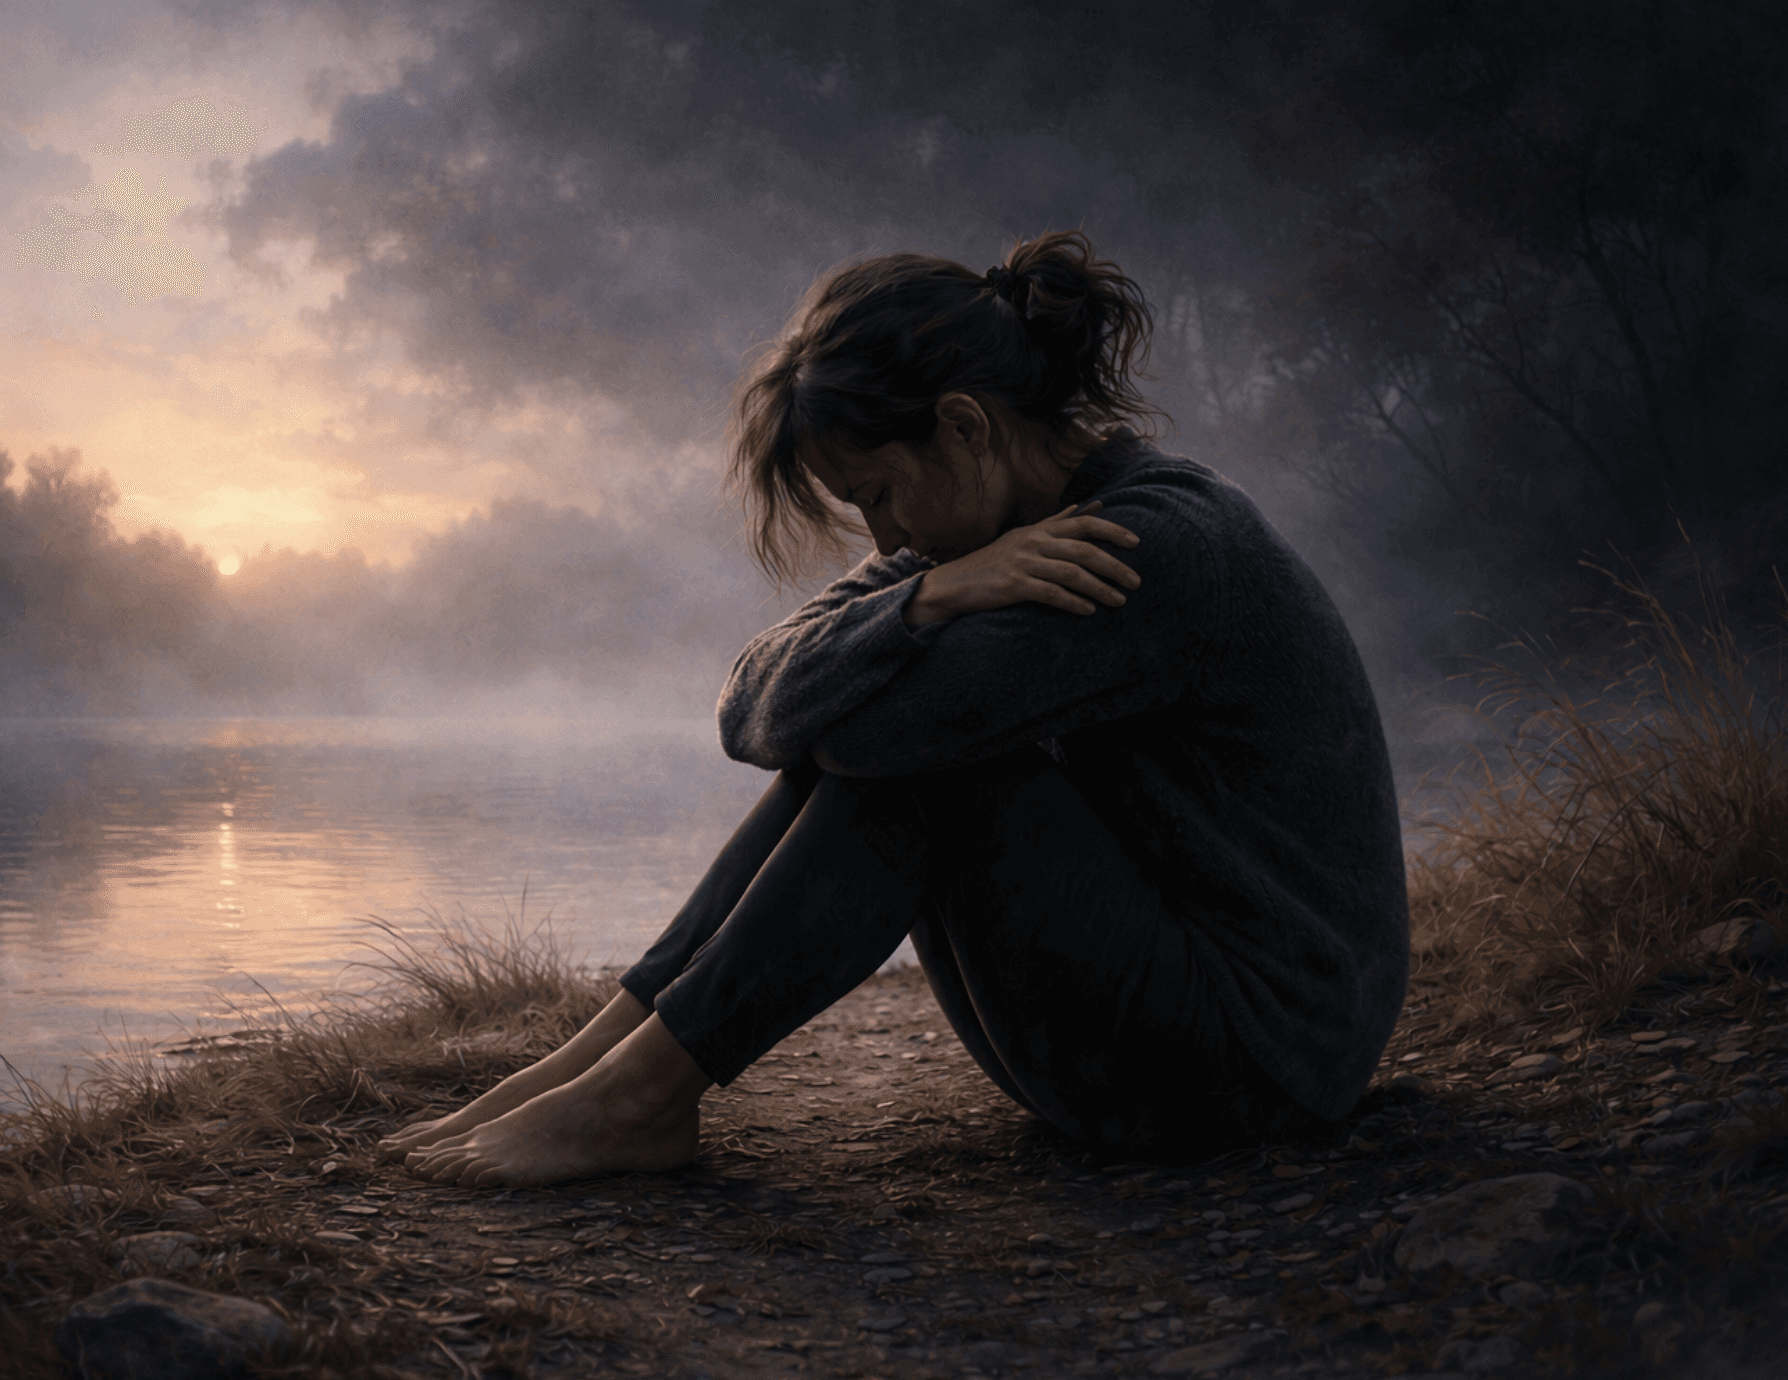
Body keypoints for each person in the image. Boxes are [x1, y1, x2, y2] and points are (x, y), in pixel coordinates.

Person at [384, 231, 1411, 1188]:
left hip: (1254, 1066)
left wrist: (901, 628)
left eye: (878, 493)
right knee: (878, 700)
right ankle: (599, 1064)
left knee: (925, 747)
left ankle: (639, 1096)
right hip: (1150, 1042)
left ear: (964, 427)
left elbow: (870, 735)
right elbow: (749, 705)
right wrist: (925, 600)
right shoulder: (958, 556)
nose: (878, 539)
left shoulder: (1140, 549)